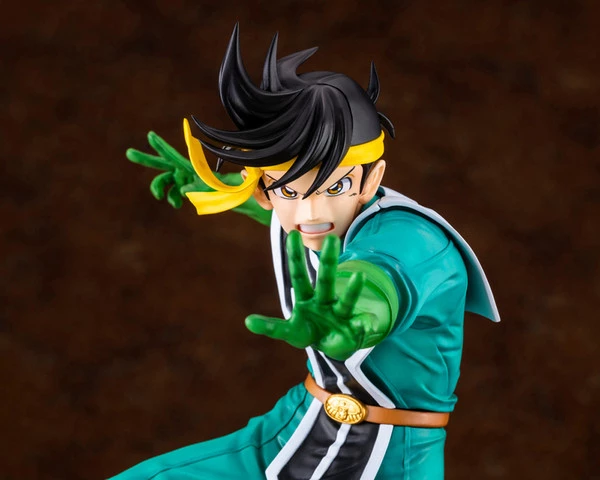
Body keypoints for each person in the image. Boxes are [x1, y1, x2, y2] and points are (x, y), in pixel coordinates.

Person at [112, 24, 499, 480]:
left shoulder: (415, 241)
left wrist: (355, 321)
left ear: (372, 179)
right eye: (287, 189)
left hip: (392, 456)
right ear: (264, 190)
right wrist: (214, 189)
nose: (311, 212)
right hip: (298, 426)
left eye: (334, 186)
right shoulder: (291, 212)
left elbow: (380, 280)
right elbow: (278, 211)